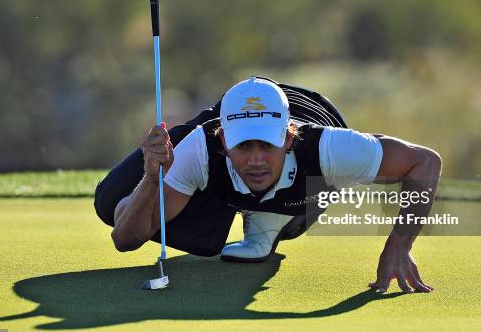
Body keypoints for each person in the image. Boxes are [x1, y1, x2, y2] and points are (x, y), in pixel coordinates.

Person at [94, 76, 441, 293]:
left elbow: (424, 161)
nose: (256, 159)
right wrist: (152, 177)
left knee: (297, 201)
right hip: (221, 125)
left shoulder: (329, 149)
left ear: (288, 139)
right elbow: (126, 240)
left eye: (267, 145)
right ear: (224, 141)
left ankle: (269, 217)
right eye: (244, 146)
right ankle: (247, 203)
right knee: (111, 202)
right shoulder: (201, 149)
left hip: (312, 119)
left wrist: (399, 246)